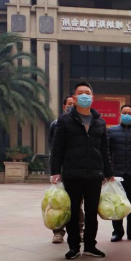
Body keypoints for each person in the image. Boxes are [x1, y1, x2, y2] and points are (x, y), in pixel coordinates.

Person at [50, 82, 115, 259]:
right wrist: (55, 171)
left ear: (92, 98)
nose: (84, 95)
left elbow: (104, 150)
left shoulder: (100, 122)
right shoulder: (65, 120)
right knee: (72, 212)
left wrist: (109, 173)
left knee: (92, 212)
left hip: (94, 174)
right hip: (72, 173)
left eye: (87, 92)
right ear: (75, 97)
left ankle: (90, 246)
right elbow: (57, 148)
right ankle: (73, 246)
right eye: (80, 93)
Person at [107, 104, 131, 243]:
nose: (127, 115)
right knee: (117, 204)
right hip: (116, 176)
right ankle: (117, 232)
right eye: (124, 112)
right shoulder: (111, 132)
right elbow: (106, 153)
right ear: (120, 114)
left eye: (130, 113)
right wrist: (108, 173)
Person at [48, 95, 78, 244]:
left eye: (74, 104)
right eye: (69, 104)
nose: (72, 106)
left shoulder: (82, 124)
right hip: (62, 170)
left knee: (77, 203)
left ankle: (80, 230)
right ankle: (58, 232)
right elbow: (54, 149)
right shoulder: (56, 124)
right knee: (58, 202)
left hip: (76, 170)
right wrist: (55, 171)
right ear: (64, 106)